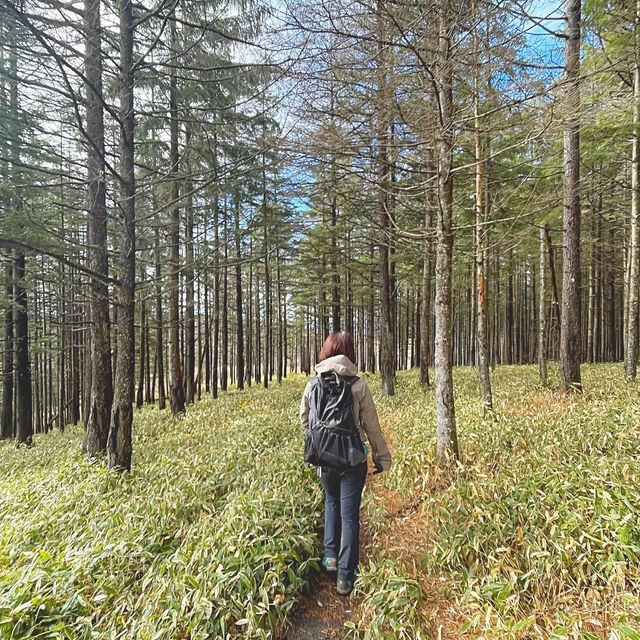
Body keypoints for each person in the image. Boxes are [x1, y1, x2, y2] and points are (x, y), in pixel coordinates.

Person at [300, 331, 392, 596]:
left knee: (330, 502)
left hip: (324, 460)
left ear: (325, 351)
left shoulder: (313, 384)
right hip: (352, 459)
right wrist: (381, 457)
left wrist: (322, 441)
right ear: (350, 353)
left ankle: (329, 556)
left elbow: (305, 420)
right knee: (349, 514)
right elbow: (372, 427)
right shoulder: (358, 385)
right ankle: (345, 577)